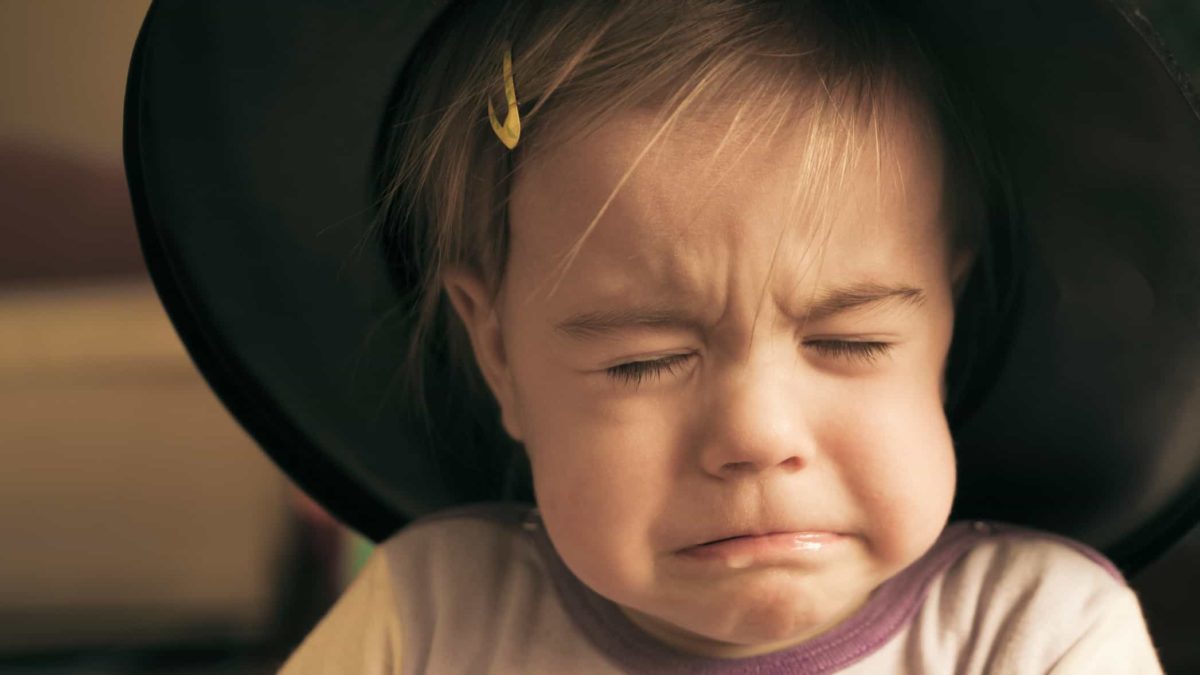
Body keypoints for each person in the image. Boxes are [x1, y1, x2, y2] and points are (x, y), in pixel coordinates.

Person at [272, 0, 1164, 671]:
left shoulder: (1036, 635)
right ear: (497, 353)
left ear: (947, 322)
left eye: (849, 341)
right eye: (643, 361)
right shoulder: (429, 619)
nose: (757, 436)